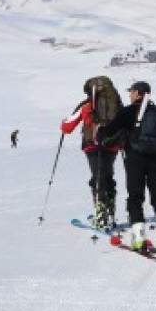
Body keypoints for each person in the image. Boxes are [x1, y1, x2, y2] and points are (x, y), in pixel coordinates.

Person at [100, 81, 156, 252]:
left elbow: (111, 129)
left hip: (135, 158)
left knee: (135, 196)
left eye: (131, 91)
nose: (130, 94)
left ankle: (139, 238)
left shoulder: (128, 111)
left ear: (138, 93)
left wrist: (101, 133)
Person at [61, 79, 120, 230]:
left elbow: (67, 127)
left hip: (92, 145)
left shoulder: (86, 105)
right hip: (112, 145)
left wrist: (63, 123)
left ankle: (101, 214)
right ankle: (110, 211)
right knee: (108, 175)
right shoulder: (114, 104)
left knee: (97, 176)